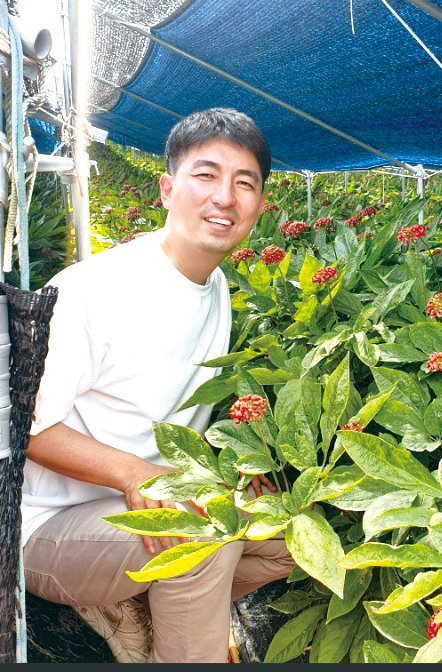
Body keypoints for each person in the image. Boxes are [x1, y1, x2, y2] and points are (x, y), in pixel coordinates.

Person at [21, 108, 293, 664]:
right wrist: (134, 473)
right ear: (168, 188)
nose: (225, 196)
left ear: (260, 205)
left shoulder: (215, 286)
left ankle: (146, 615)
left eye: (245, 183)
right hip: (49, 530)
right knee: (201, 535)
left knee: (290, 536)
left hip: (145, 509)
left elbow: (171, 409)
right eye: (206, 175)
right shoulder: (95, 290)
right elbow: (24, 426)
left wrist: (239, 464)